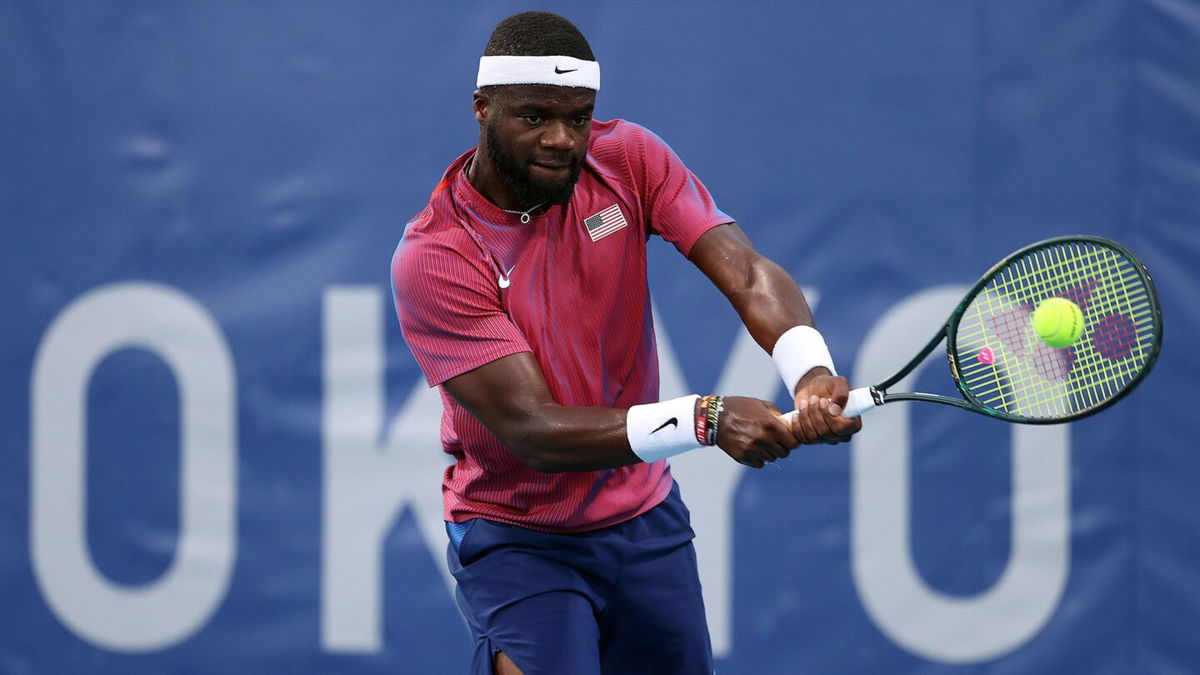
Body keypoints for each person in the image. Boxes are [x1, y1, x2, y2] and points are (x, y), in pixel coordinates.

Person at [391, 11, 861, 675]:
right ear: (482, 109)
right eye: (534, 117)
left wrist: (810, 367)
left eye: (578, 118)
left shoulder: (629, 159)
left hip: (644, 520)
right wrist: (705, 418)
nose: (561, 139)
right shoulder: (436, 256)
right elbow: (533, 428)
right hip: (520, 538)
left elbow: (748, 271)